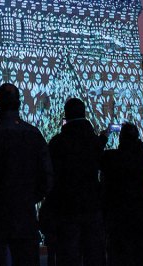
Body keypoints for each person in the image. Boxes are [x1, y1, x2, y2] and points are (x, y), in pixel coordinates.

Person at [0, 83, 52, 266]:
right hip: (25, 214)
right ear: (19, 103)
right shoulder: (33, 135)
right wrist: (28, 197)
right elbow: (47, 177)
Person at [47, 98, 107, 266]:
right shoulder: (94, 142)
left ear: (66, 114)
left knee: (68, 254)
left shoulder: (57, 143)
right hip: (92, 205)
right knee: (93, 253)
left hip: (66, 206)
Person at [100, 123, 143, 266]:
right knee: (140, 255)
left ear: (121, 138)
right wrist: (134, 138)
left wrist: (104, 136)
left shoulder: (111, 157)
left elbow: (95, 155)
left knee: (119, 254)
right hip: (140, 214)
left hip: (117, 214)